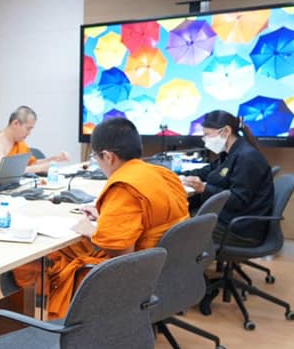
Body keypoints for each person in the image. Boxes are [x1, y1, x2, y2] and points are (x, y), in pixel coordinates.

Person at [25, 117, 189, 319]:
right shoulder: (162, 173)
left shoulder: (125, 186)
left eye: (95, 156)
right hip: (164, 267)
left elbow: (121, 252)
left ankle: (45, 325)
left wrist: (92, 231)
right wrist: (108, 215)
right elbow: (149, 216)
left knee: (50, 257)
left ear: (108, 156)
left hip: (134, 273)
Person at [181, 110, 274, 248]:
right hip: (227, 218)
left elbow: (238, 200)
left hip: (240, 230)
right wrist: (178, 176)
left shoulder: (247, 157)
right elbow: (208, 171)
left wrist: (204, 188)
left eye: (207, 134)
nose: (204, 139)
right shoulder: (230, 153)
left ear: (226, 131)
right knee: (181, 216)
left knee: (177, 228)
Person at [0, 105, 70, 175]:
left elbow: (31, 164)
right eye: (28, 129)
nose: (29, 133)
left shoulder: (20, 143)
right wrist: (41, 168)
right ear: (16, 123)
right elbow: (5, 171)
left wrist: (54, 159)